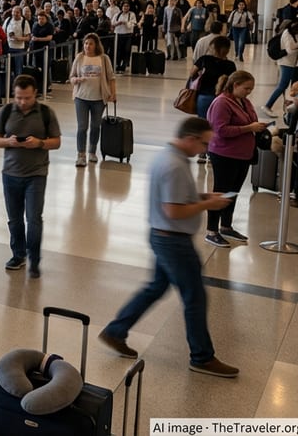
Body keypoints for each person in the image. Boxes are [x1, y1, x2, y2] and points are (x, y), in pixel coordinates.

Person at [99, 117, 239, 378]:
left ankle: (115, 331)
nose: (205, 149)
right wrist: (208, 206)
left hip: (162, 236)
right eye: (204, 144)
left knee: (156, 287)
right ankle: (202, 357)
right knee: (195, 297)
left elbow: (176, 199)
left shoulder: (169, 157)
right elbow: (173, 210)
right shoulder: (174, 165)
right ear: (191, 138)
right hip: (173, 241)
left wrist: (203, 197)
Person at [0, 74, 62, 279]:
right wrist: (9, 142)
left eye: (27, 98)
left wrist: (39, 143)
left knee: (33, 219)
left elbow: (56, 141)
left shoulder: (46, 113)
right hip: (10, 174)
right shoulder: (5, 112)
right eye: (18, 97)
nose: (22, 102)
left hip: (36, 174)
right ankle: (18, 255)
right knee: (14, 220)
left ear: (35, 95)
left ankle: (35, 259)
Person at [204, 71, 268, 248]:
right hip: (224, 154)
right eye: (246, 88)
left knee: (234, 192)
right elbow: (221, 130)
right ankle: (211, 230)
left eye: (251, 89)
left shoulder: (244, 102)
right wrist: (249, 128)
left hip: (242, 154)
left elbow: (249, 121)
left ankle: (226, 226)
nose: (249, 92)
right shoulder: (221, 103)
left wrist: (257, 126)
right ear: (235, 85)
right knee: (221, 192)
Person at [68, 33, 116, 167]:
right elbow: (71, 76)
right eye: (86, 43)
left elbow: (111, 78)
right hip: (81, 98)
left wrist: (113, 94)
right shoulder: (79, 57)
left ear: (96, 45)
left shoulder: (103, 58)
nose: (87, 46)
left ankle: (92, 152)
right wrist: (76, 80)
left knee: (95, 126)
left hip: (99, 99)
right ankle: (81, 154)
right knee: (82, 127)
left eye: (90, 43)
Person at [262, 20, 298, 117]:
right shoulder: (287, 33)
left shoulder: (292, 33)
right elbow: (290, 49)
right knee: (282, 85)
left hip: (291, 63)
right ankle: (267, 106)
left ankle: (288, 108)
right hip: (286, 63)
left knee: (288, 86)